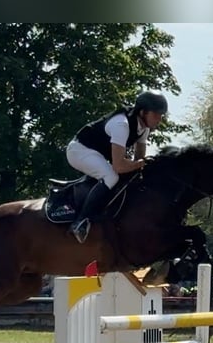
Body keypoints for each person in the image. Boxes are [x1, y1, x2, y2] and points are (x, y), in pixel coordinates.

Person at [66, 90, 168, 243]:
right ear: (143, 112)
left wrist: (145, 166)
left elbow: (139, 161)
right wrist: (140, 164)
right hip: (79, 150)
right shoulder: (122, 124)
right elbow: (119, 166)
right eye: (156, 114)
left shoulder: (144, 128)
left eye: (161, 115)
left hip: (96, 153)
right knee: (111, 176)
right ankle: (80, 222)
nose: (160, 119)